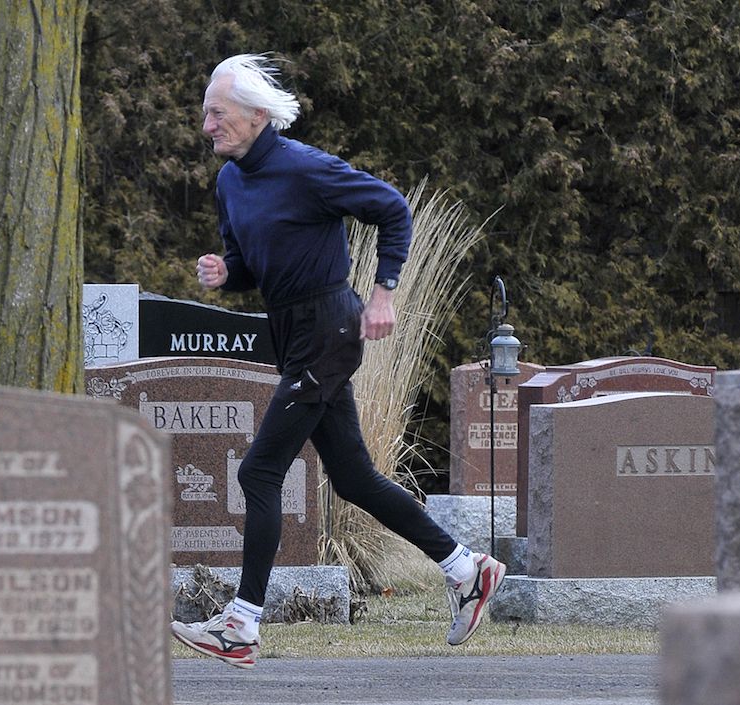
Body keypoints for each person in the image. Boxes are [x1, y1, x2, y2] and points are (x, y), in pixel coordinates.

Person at [170, 53, 506, 669]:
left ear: (256, 116)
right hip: (294, 333)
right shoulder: (228, 182)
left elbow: (392, 210)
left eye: (216, 114)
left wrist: (383, 292)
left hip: (330, 327)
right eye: (205, 114)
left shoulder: (307, 169)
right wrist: (226, 272)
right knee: (353, 479)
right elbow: (252, 261)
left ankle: (242, 624)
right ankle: (467, 568)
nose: (207, 125)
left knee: (257, 472)